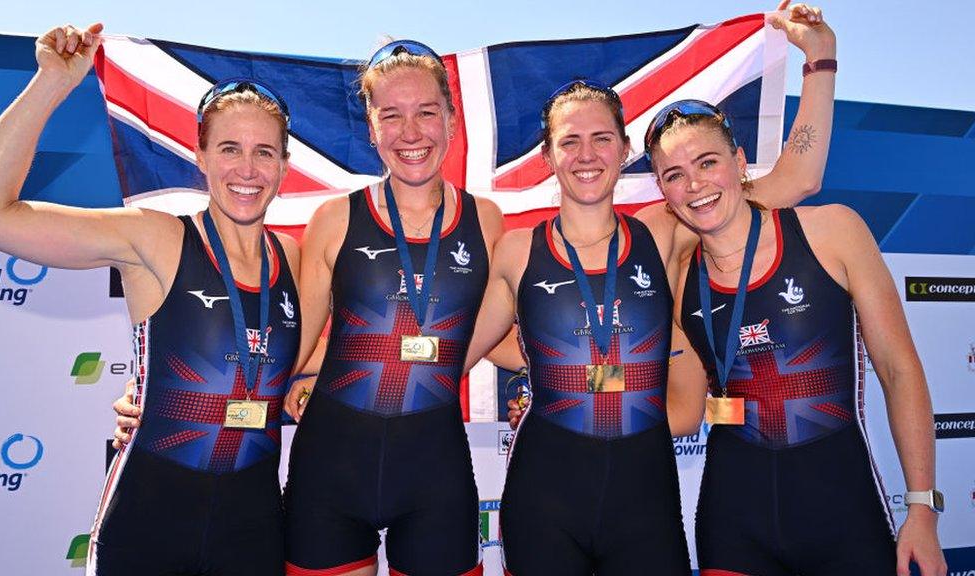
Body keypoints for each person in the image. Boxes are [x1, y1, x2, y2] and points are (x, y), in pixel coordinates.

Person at [465, 4, 837, 574]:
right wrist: (322, 373)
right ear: (548, 156)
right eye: (569, 142)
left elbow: (799, 179)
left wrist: (819, 59)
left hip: (645, 504)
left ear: (623, 149)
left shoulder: (665, 232)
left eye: (601, 139)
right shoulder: (519, 250)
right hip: (544, 500)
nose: (586, 155)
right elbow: (456, 348)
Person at [0, 24, 301, 576]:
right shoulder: (154, 238)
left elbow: (298, 363)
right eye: (230, 148)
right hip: (149, 518)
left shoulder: (293, 260)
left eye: (264, 152)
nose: (248, 170)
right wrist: (51, 84)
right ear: (201, 155)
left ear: (284, 165)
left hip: (252, 527)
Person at [644, 72, 948, 576]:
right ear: (663, 191)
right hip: (732, 522)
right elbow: (681, 409)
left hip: (843, 515)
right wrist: (569, 391)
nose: (694, 184)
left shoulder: (833, 231)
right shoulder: (679, 282)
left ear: (739, 163)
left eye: (707, 162)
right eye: (674, 174)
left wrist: (921, 506)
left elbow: (898, 369)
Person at [283, 40, 502, 576]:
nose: (411, 133)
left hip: (435, 471)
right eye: (392, 116)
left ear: (451, 119)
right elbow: (293, 344)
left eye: (426, 112)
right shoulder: (334, 220)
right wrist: (151, 395)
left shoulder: (488, 222)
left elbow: (509, 337)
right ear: (372, 127)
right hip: (330, 469)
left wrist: (587, 381)